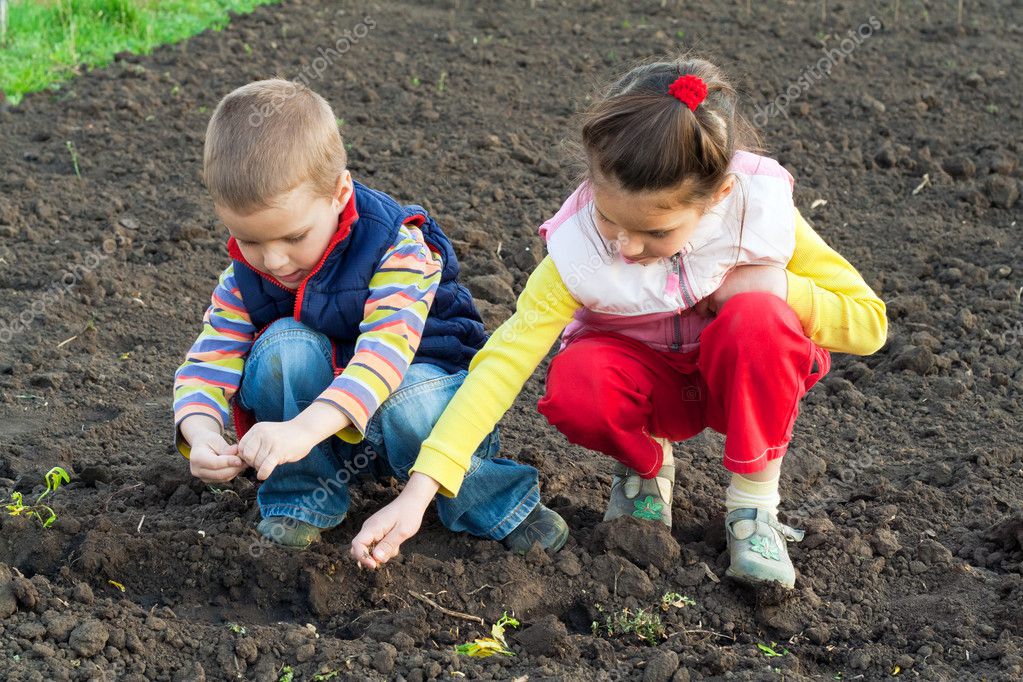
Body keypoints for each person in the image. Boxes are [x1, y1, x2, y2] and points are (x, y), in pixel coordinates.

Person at [350, 58, 887, 589]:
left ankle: (752, 509)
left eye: (655, 231)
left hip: (740, 386)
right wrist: (419, 491)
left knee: (758, 318)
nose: (626, 246)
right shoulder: (579, 251)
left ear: (718, 196)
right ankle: (647, 469)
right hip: (650, 392)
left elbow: (870, 326)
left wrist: (781, 288)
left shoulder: (757, 215)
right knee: (577, 377)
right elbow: (501, 363)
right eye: (610, 218)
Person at [172, 79, 568, 553]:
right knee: (282, 348)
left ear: (340, 194)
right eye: (250, 240)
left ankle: (496, 503)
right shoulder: (245, 275)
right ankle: (302, 498)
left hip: (420, 407)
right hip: (327, 434)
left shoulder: (398, 247)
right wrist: (199, 432)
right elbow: (209, 360)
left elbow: (383, 357)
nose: (273, 261)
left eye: (294, 237)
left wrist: (301, 428)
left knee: (410, 403)